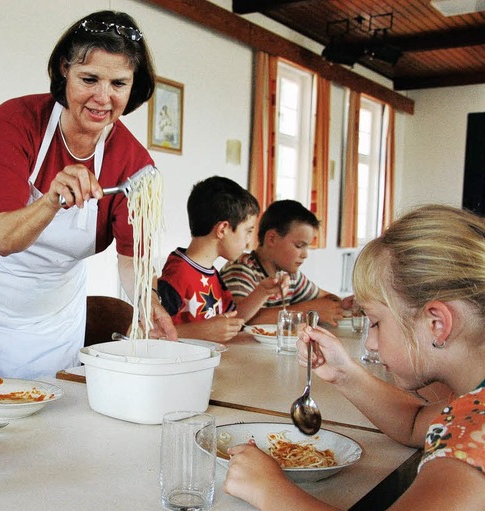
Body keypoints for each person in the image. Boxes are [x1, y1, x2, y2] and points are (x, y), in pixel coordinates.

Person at [0, 10, 176, 379]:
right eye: (89, 79)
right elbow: (3, 238)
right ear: (64, 69)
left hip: (54, 310)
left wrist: (148, 304)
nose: (103, 97)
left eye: (118, 83)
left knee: (51, 404)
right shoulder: (15, 121)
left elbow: (132, 262)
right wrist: (50, 201)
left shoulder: (135, 166)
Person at [223, 204, 485, 510]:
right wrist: (343, 372)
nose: (371, 344)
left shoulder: (473, 436)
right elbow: (415, 424)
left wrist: (269, 490)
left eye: (376, 322)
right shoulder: (471, 400)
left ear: (437, 324)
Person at [157, 177, 288, 343]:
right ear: (223, 229)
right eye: (248, 231)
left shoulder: (211, 273)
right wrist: (201, 331)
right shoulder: (177, 275)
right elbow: (150, 332)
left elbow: (234, 319)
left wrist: (263, 292)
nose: (249, 241)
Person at [220, 199, 352, 326]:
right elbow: (241, 318)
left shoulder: (291, 275)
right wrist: (308, 310)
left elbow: (326, 297)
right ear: (272, 239)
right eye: (299, 245)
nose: (305, 255)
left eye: (307, 247)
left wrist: (342, 304)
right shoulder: (241, 269)